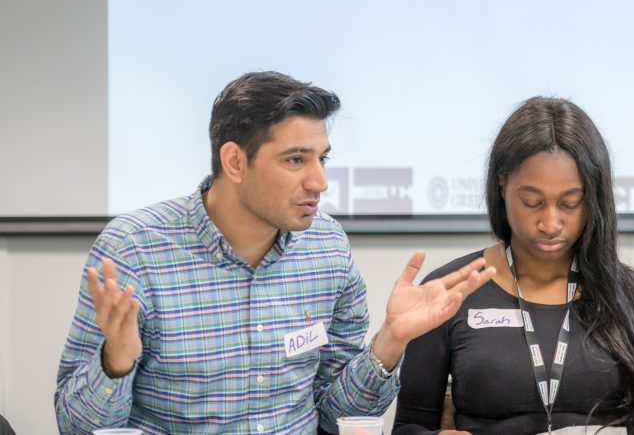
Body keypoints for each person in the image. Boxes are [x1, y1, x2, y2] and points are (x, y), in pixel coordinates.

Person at [54, 71, 495, 434]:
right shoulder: (134, 250)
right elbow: (74, 427)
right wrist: (116, 362)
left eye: (323, 158)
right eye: (296, 161)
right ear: (235, 162)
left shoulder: (326, 248)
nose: (320, 182)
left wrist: (389, 342)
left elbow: (336, 415)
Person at [393, 97, 634, 434]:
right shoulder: (451, 292)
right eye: (532, 202)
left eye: (570, 204)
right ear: (501, 185)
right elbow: (409, 426)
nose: (551, 223)